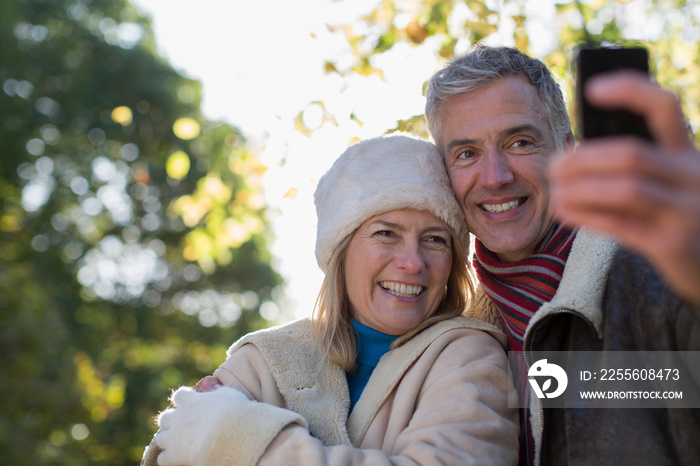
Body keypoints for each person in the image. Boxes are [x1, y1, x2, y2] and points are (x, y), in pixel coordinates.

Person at [141, 133, 519, 465]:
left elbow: (203, 434)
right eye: (386, 233)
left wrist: (235, 436)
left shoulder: (471, 356)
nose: (412, 262)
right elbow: (169, 452)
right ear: (341, 250)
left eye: (435, 239)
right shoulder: (264, 359)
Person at [424, 44, 700, 466]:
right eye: (467, 154)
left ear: (566, 148)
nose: (495, 177)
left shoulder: (657, 275)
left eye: (519, 142)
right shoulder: (459, 339)